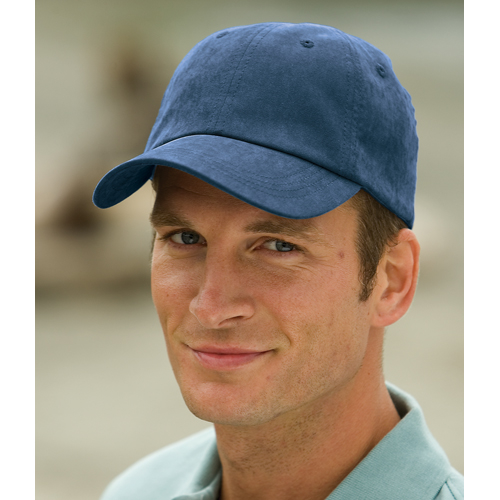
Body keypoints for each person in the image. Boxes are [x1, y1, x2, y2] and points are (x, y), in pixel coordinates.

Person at [93, 22, 464, 500]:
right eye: (185, 238)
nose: (211, 307)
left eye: (279, 246)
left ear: (392, 280)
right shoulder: (138, 491)